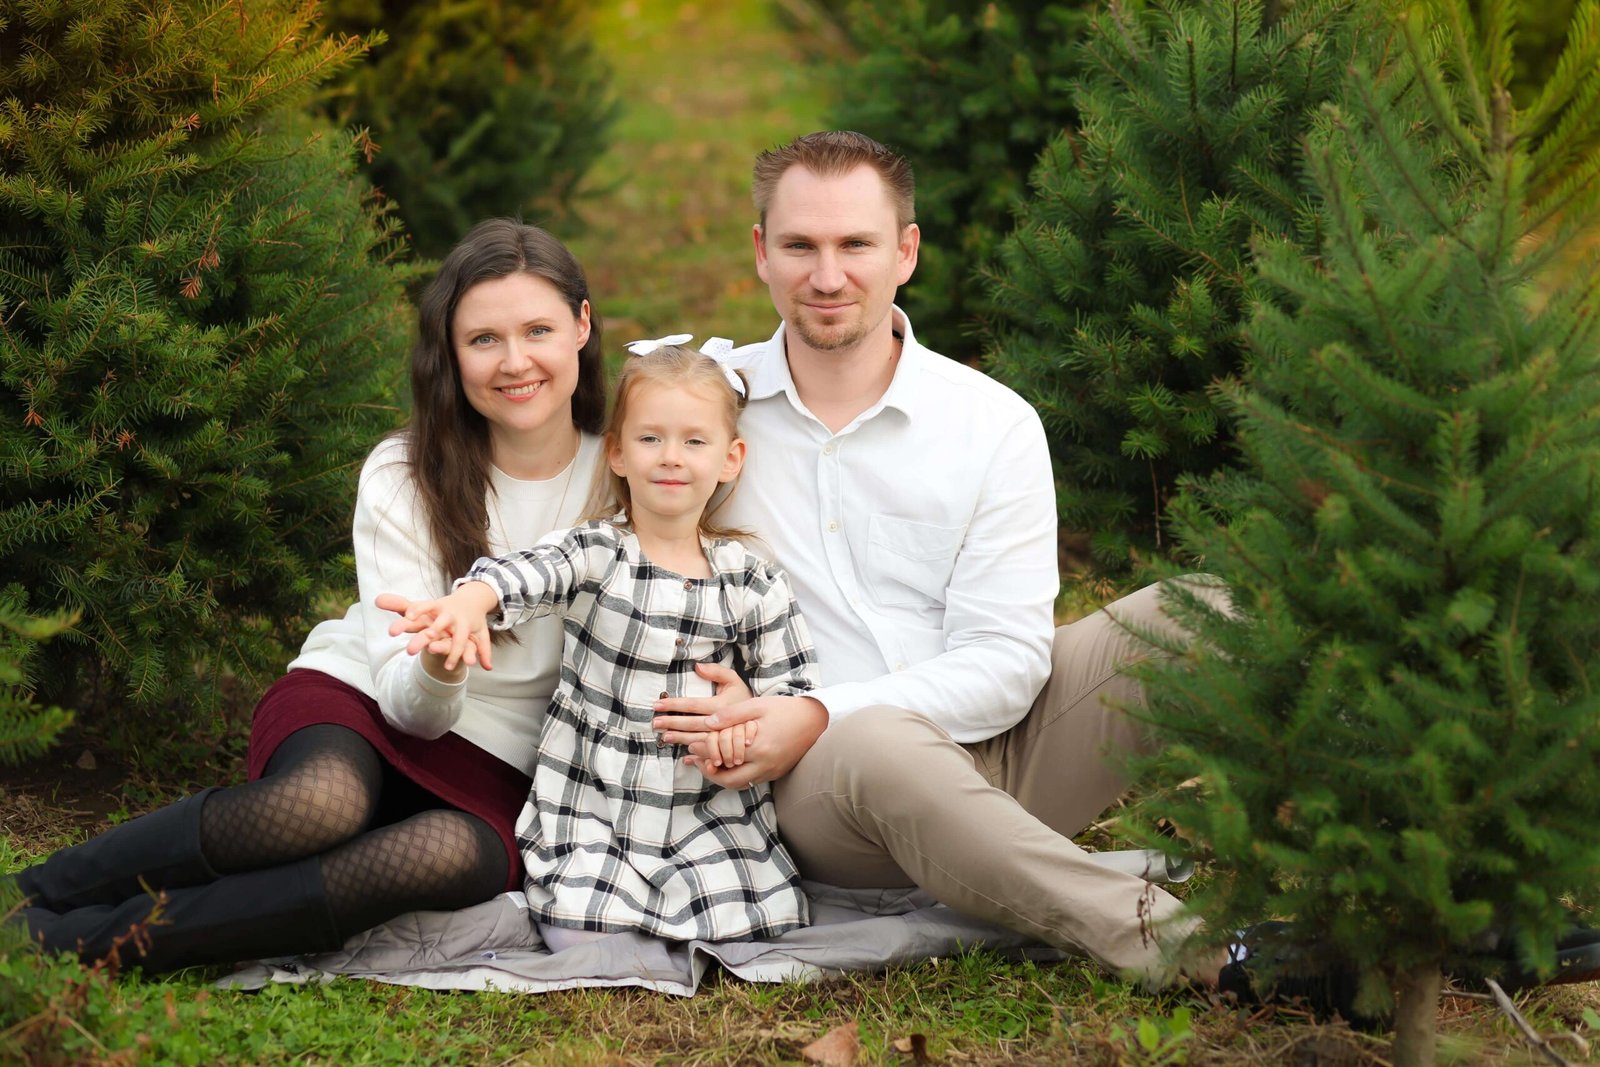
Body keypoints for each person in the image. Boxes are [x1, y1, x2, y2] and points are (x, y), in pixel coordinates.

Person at [650, 131, 1600, 1011]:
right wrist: (492, 587)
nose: (827, 275)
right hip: (813, 779)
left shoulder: (988, 423)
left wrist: (829, 704)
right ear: (760, 250)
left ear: (905, 251)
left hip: (993, 748)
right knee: (878, 743)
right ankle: (1202, 949)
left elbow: (1009, 663)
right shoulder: (705, 418)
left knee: (1202, 611)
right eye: (800, 246)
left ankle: (1436, 891)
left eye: (855, 244)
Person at [11, 218, 611, 974]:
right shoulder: (406, 471)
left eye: (538, 329)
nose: (515, 361)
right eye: (484, 339)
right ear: (450, 353)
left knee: (449, 855)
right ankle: (27, 896)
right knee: (320, 806)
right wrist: (444, 665)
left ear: (582, 326)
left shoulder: (627, 475)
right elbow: (408, 705)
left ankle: (72, 942)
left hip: (506, 759)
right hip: (369, 696)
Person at [380, 338, 817, 949]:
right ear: (615, 453)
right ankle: (602, 906)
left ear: (730, 458)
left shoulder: (750, 577)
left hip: (703, 796)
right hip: (597, 798)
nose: (671, 457)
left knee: (751, 921)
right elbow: (527, 574)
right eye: (649, 439)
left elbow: (793, 690)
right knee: (585, 930)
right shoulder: (600, 550)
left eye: (695, 441)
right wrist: (470, 603)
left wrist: (745, 716)